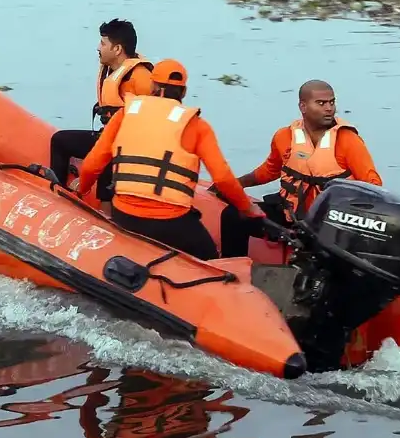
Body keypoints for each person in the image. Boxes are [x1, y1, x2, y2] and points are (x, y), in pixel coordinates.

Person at [74, 59, 262, 261]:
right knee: (213, 261)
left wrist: (82, 188)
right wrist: (247, 207)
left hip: (125, 215)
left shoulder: (125, 114)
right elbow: (223, 179)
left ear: (153, 86)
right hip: (172, 222)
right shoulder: (197, 125)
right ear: (183, 93)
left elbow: (92, 164)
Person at [218, 79, 382, 257]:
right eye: (321, 103)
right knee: (233, 216)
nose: (329, 108)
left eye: (332, 102)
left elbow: (373, 184)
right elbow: (269, 170)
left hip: (331, 225)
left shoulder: (348, 141)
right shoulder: (284, 136)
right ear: (303, 107)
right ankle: (233, 273)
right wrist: (235, 185)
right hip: (290, 217)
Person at [48, 19, 152, 205]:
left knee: (108, 162)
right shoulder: (110, 71)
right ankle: (58, 197)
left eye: (103, 43)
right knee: (60, 140)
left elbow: (154, 119)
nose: (98, 47)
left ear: (117, 49)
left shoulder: (141, 77)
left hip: (129, 147)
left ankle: (108, 218)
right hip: (108, 138)